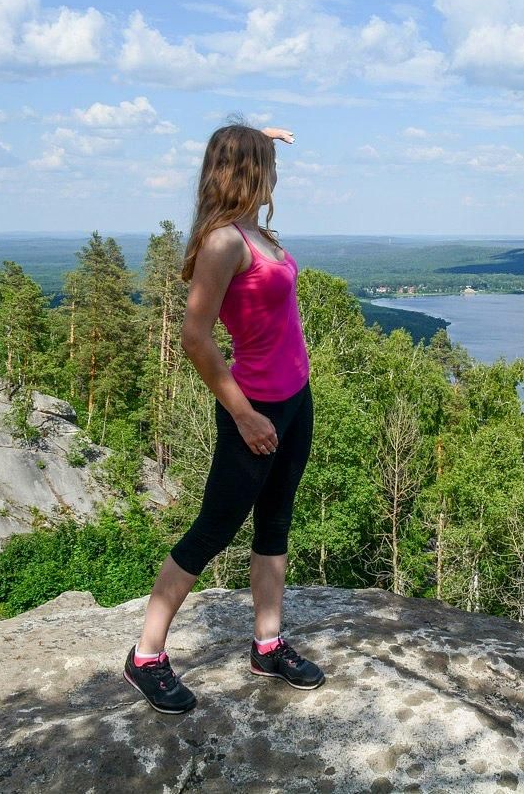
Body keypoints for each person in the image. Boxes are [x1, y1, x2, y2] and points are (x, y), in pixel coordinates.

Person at [123, 121, 323, 714]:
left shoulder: (251, 232)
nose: (277, 174)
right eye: (267, 163)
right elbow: (194, 337)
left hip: (294, 403)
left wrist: (253, 134)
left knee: (276, 522)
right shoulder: (222, 243)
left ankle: (267, 645)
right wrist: (242, 414)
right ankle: (145, 657)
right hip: (255, 411)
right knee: (213, 529)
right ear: (247, 172)